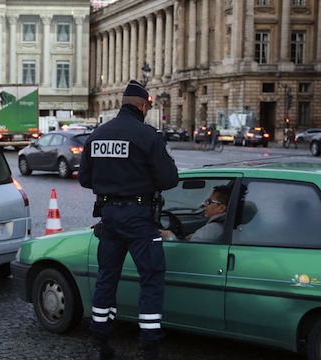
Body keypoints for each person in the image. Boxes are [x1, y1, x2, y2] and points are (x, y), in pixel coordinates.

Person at [77, 80, 179, 360]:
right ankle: (149, 345)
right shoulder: (147, 136)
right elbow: (170, 179)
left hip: (109, 218)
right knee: (151, 277)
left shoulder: (98, 134)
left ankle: (100, 340)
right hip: (138, 218)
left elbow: (85, 178)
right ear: (143, 105)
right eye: (147, 106)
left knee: (106, 278)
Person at [160, 185, 231, 242]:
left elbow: (190, 253)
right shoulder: (224, 226)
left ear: (221, 208)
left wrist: (170, 238)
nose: (205, 204)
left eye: (209, 202)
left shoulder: (211, 229)